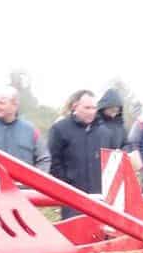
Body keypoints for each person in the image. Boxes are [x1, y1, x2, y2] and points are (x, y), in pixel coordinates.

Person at [48, 89, 121, 219]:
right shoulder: (60, 129)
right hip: (72, 198)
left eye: (94, 108)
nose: (91, 112)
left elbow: (112, 164)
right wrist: (66, 186)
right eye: (87, 108)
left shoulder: (105, 133)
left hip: (100, 199)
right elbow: (54, 162)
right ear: (75, 107)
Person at [0, 86, 50, 171]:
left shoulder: (31, 131)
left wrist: (36, 180)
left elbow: (44, 159)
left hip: (23, 183)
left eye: (1, 103)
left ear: (15, 105)